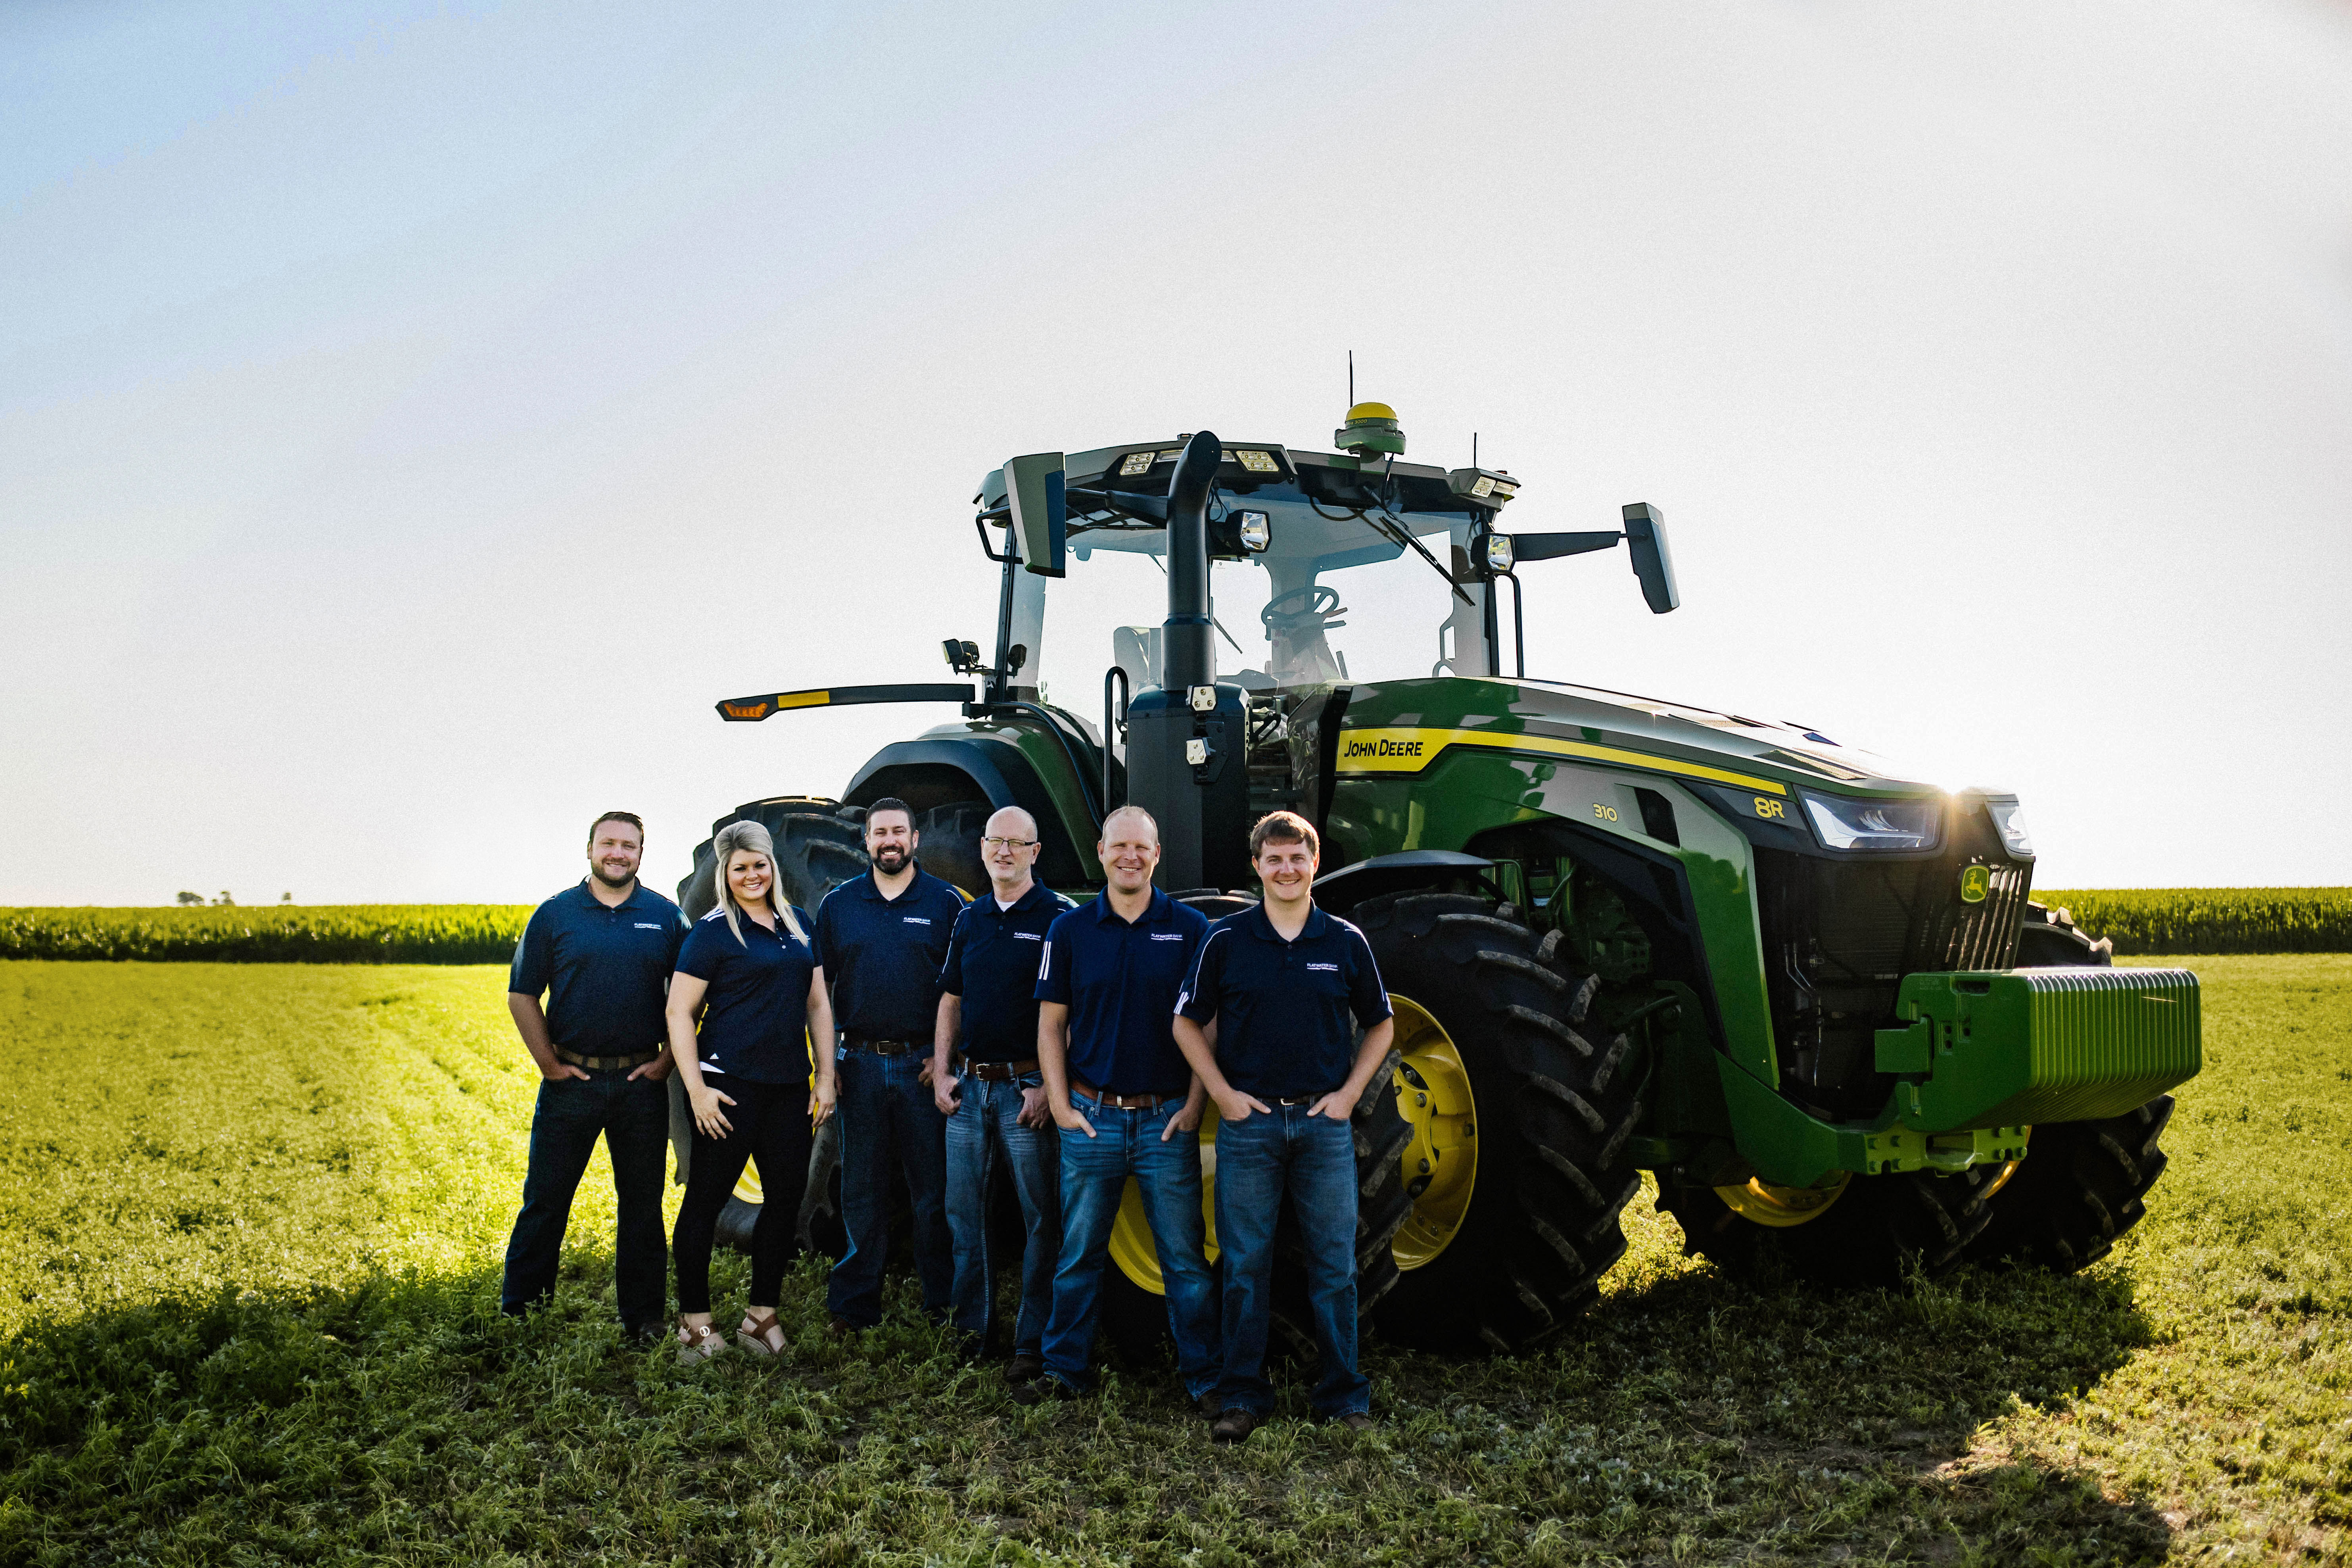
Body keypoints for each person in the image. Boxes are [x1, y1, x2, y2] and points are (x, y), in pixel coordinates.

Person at [1173, 809, 1394, 1441]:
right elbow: (1186, 1020)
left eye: (1296, 858)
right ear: (1257, 867)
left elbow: (1380, 1022)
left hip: (1323, 1126)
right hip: (1252, 1127)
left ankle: (1342, 1395)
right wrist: (1221, 1093)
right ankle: (1242, 1393)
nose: (1286, 868)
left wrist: (1350, 1093)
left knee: (1335, 1264)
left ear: (1314, 863)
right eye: (1273, 859)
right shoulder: (1226, 939)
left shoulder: (1345, 941)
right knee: (1244, 1263)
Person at [1015, 804, 1220, 1413]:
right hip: (1091, 1118)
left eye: (1142, 848)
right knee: (1078, 1254)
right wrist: (1059, 1101)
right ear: (1101, 852)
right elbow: (1051, 1025)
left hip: (1165, 1122)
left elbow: (1205, 1025)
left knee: (1184, 1261)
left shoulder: (1190, 929)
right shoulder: (1070, 930)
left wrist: (1193, 1105)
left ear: (1157, 856)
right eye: (1119, 846)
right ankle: (1064, 1369)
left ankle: (1205, 1379)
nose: (1130, 857)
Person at [501, 812, 683, 1342]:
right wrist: (550, 1065)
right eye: (609, 843)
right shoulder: (555, 914)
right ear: (589, 849)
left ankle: (644, 1319)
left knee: (643, 1207)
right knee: (545, 1201)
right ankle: (522, 1315)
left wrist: (667, 1059)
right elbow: (522, 994)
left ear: (641, 855)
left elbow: (694, 994)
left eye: (629, 845)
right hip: (571, 1085)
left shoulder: (665, 916)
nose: (618, 853)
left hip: (639, 1085)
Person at [666, 820, 838, 1363]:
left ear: (772, 866)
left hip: (788, 1088)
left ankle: (761, 1317)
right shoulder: (713, 932)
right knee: (705, 1204)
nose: (751, 874)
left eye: (758, 864)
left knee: (784, 1203)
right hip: (728, 1090)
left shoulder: (798, 925)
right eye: (739, 867)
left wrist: (826, 1076)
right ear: (725, 873)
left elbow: (817, 1004)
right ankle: (694, 1324)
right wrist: (696, 1091)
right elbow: (678, 1011)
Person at [930, 806, 1073, 1381]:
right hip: (969, 1088)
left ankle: (1031, 1343)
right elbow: (950, 1000)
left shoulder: (1059, 917)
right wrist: (941, 1072)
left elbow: (1070, 1013)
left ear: (1035, 852)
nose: (1004, 851)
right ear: (984, 849)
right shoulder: (970, 918)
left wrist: (1044, 1082)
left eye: (1017, 842)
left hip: (1024, 1092)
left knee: (1041, 1220)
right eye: (995, 841)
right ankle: (973, 1331)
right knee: (964, 1216)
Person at [815, 797, 965, 1332]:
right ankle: (854, 1308)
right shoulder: (840, 905)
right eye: (880, 832)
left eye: (899, 831)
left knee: (932, 1192)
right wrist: (826, 1065)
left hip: (920, 1066)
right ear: (866, 840)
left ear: (915, 838)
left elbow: (963, 989)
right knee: (861, 1190)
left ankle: (941, 1305)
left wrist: (945, 1057)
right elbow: (818, 989)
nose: (889, 841)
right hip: (858, 1062)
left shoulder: (947, 903)